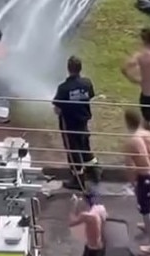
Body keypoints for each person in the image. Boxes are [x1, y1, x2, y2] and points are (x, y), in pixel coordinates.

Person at [53, 56, 102, 190]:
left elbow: (57, 109)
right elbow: (90, 96)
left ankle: (78, 180)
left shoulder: (63, 88)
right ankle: (95, 170)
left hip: (69, 124)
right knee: (85, 146)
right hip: (83, 121)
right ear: (80, 68)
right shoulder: (87, 83)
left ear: (68, 69)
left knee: (73, 151)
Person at [122, 108, 150, 255]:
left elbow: (129, 166)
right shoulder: (149, 135)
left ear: (127, 122)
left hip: (144, 176)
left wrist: (133, 183)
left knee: (144, 209)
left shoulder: (130, 142)